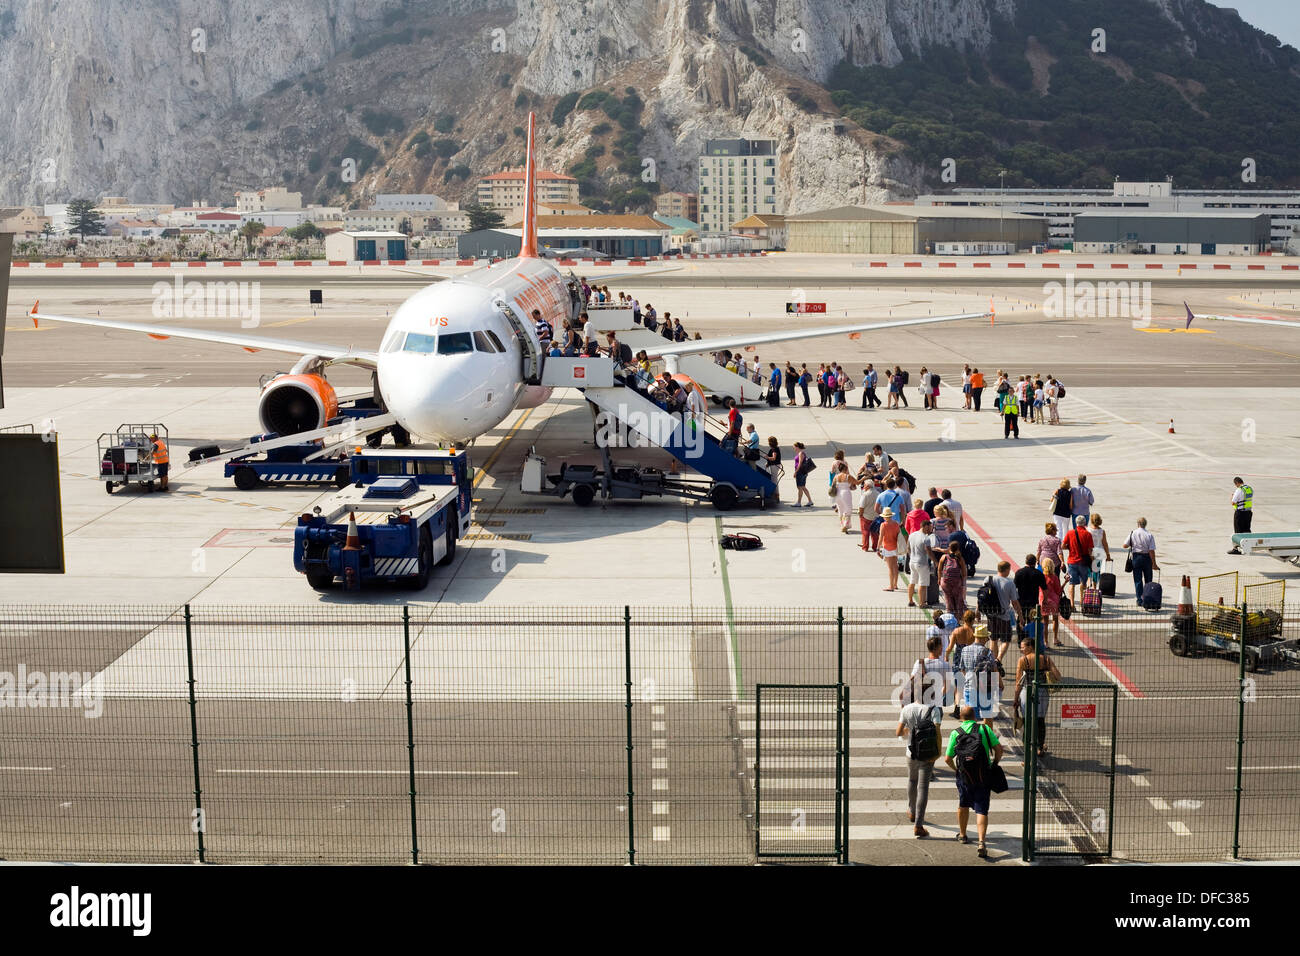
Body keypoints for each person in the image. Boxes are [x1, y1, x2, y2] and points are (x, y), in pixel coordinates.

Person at [945, 704, 1004, 858]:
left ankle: (963, 835)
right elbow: (999, 749)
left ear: (961, 717)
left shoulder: (956, 733)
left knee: (963, 804)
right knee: (982, 808)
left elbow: (947, 758)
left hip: (964, 775)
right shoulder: (985, 730)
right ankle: (981, 842)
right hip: (983, 774)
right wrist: (994, 763)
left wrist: (956, 769)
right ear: (975, 717)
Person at [897, 686, 944, 838]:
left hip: (910, 753)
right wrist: (937, 753)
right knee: (923, 787)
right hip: (927, 754)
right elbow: (937, 733)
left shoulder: (907, 709)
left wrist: (910, 732)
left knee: (911, 781)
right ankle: (918, 824)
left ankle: (911, 811)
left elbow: (898, 732)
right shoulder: (934, 710)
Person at [1014, 638, 1061, 757]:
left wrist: (1015, 699)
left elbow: (1018, 682)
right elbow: (1058, 676)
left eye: (1023, 647)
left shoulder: (1023, 660)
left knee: (1027, 722)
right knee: (1040, 721)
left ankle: (1027, 752)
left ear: (1030, 647)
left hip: (1026, 691)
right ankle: (1040, 747)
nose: (1021, 649)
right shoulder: (1045, 659)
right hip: (1042, 692)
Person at [956, 626, 1001, 726]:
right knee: (987, 715)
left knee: (970, 718)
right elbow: (994, 670)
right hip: (984, 687)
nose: (987, 640)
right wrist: (998, 684)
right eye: (986, 638)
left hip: (969, 686)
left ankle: (972, 738)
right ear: (983, 638)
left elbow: (962, 669)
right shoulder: (988, 652)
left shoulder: (965, 650)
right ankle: (988, 738)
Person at [989, 561, 1022, 662]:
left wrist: (978, 610)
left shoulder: (989, 579)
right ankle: (998, 659)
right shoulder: (1009, 583)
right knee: (1006, 639)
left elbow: (982, 596)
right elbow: (1014, 602)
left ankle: (993, 661)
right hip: (1004, 615)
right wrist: (1020, 615)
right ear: (1007, 570)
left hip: (991, 614)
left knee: (993, 639)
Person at [1122, 517, 1159, 608]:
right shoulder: (1149, 535)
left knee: (1138, 580)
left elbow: (1124, 545)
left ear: (1138, 524)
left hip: (1136, 557)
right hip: (1147, 558)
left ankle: (1139, 600)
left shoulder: (1133, 533)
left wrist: (1133, 544)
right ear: (1145, 524)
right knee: (1148, 580)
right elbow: (1151, 551)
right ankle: (1148, 598)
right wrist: (1154, 563)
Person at [1013, 555, 1047, 647]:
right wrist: (1045, 600)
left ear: (1026, 561)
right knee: (1033, 621)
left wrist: (1014, 601)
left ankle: (1021, 641)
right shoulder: (1038, 573)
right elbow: (1044, 589)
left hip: (1021, 602)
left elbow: (1014, 588)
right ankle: (1031, 642)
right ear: (1035, 562)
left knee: (1021, 620)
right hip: (1033, 602)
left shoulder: (1019, 572)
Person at [1062, 516, 1095, 608]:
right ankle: (1081, 602)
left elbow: (1063, 546)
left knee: (1071, 583)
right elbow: (1090, 550)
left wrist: (1070, 547)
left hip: (1072, 561)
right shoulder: (1088, 534)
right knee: (1083, 583)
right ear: (1085, 523)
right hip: (1083, 562)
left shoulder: (1070, 533)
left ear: (1076, 523)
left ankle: (1072, 604)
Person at [907, 518, 936, 607]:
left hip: (912, 562)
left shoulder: (912, 535)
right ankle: (922, 603)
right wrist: (936, 561)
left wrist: (911, 556)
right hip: (922, 563)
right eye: (930, 527)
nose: (931, 530)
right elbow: (929, 551)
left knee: (912, 582)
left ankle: (911, 601)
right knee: (922, 584)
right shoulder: (926, 538)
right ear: (925, 526)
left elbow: (908, 548)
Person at [938, 540, 968, 615]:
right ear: (958, 549)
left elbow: (939, 569)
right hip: (957, 583)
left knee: (948, 599)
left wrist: (939, 579)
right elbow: (964, 574)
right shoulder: (960, 558)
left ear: (949, 548)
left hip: (945, 582)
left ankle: (950, 615)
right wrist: (963, 584)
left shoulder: (944, 557)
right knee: (958, 601)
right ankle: (958, 617)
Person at [1040, 558, 1064, 647]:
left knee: (1045, 622)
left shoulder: (1041, 576)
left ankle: (1046, 642)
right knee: (1055, 619)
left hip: (1044, 600)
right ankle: (1055, 638)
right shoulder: (1054, 577)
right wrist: (1065, 582)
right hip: (1054, 600)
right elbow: (1058, 591)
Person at [1227, 477, 1254, 553]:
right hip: (1248, 512)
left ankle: (1236, 549)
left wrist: (1232, 497)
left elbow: (1233, 502)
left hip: (1240, 513)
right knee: (1247, 530)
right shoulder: (1249, 489)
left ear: (1236, 483)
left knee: (1238, 530)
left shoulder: (1239, 490)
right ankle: (1248, 547)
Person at [832, 462, 858, 533]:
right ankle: (845, 525)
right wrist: (864, 478)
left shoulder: (836, 476)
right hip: (846, 493)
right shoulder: (847, 476)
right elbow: (857, 482)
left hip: (838, 494)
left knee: (840, 509)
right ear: (845, 469)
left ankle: (842, 524)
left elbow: (832, 485)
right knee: (848, 509)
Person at [879, 507, 901, 591]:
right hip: (895, 547)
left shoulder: (883, 525)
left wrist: (878, 548)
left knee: (890, 568)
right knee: (895, 566)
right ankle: (895, 584)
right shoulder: (896, 524)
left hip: (887, 547)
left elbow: (880, 538)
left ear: (884, 516)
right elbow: (898, 535)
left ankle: (891, 586)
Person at [858, 477, 882, 552]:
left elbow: (861, 507)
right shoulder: (878, 494)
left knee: (865, 532)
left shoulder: (865, 495)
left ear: (868, 486)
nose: (863, 487)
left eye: (864, 485)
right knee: (875, 533)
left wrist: (860, 515)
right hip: (875, 516)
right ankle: (875, 547)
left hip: (866, 516)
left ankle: (865, 546)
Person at [792, 442, 814, 507]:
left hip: (800, 472)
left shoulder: (801, 453)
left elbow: (800, 463)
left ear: (797, 447)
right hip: (803, 472)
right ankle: (810, 501)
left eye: (794, 447)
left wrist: (796, 472)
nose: (794, 448)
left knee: (800, 487)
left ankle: (799, 503)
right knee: (803, 487)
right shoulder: (801, 453)